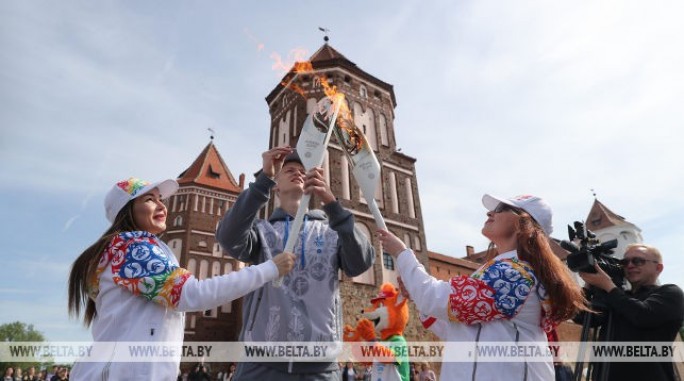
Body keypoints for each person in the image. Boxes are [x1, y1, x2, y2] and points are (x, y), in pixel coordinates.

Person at [67, 177, 295, 380]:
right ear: (127, 211)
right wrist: (268, 269)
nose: (161, 206)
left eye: (160, 199)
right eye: (149, 199)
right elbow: (191, 294)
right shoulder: (132, 249)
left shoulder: (123, 249)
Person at [378, 194, 587, 380]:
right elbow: (461, 332)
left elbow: (437, 299)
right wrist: (417, 296)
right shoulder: (500, 270)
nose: (490, 212)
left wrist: (403, 254)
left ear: (524, 223)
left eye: (501, 208)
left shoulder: (514, 275)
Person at [216, 146, 375, 380]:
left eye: (303, 170)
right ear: (276, 186)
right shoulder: (262, 232)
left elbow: (361, 262)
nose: (298, 172)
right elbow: (228, 237)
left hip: (320, 367)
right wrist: (263, 181)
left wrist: (332, 203)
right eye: (289, 169)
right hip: (261, 365)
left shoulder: (331, 232)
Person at [579, 243, 684, 381]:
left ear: (658, 268)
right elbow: (583, 318)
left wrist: (609, 286)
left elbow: (643, 316)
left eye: (638, 261)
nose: (630, 265)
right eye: (625, 262)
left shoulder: (670, 292)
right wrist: (588, 287)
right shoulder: (616, 296)